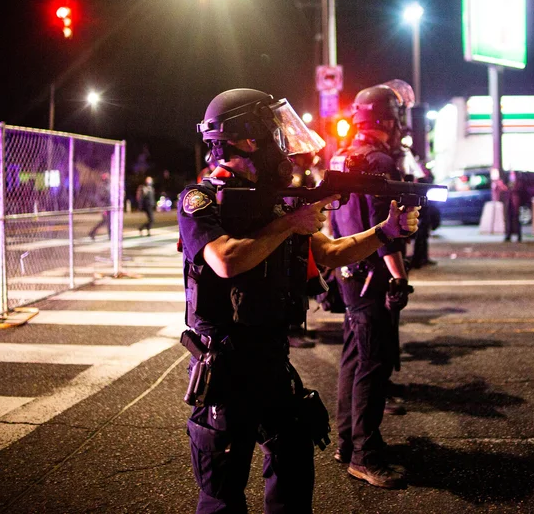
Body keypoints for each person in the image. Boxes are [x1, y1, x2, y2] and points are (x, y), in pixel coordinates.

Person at [179, 88, 419, 512]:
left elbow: (326, 253)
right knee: (222, 494)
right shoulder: (202, 199)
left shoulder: (275, 202)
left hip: (271, 358)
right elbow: (225, 261)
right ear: (248, 137)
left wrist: (387, 231)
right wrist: (291, 222)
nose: (285, 143)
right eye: (275, 130)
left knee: (294, 465)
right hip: (227, 365)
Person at [328, 83, 418, 489]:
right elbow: (389, 228)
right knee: (374, 363)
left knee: (353, 358)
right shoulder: (382, 161)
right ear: (389, 119)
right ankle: (365, 453)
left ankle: (346, 442)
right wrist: (399, 276)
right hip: (373, 275)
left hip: (347, 270)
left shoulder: (342, 156)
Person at [88, 173, 112, 240]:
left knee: (106, 221)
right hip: (105, 207)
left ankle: (92, 232)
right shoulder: (102, 186)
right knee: (107, 221)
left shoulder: (108, 186)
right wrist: (102, 207)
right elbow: (101, 197)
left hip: (108, 206)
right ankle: (110, 235)